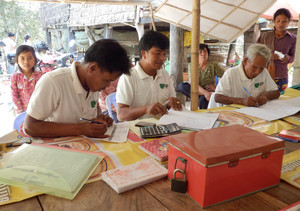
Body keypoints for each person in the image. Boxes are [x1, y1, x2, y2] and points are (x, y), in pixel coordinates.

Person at [23, 39, 131, 138]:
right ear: (92, 68)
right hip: (56, 152)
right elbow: (30, 127)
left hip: (86, 148)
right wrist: (81, 129)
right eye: (106, 81)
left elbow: (92, 114)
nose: (107, 86)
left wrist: (100, 120)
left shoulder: (92, 84)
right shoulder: (53, 82)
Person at [116, 30, 182, 121]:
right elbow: (121, 115)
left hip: (163, 125)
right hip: (138, 129)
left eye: (164, 54)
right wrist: (145, 109)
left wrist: (172, 102)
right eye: (157, 53)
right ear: (144, 54)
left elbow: (172, 100)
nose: (162, 58)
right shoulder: (128, 77)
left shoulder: (164, 74)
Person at [210, 44, 280, 107]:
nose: (258, 72)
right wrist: (242, 101)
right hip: (233, 114)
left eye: (261, 68)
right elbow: (217, 97)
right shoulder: (231, 73)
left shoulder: (264, 72)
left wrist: (265, 95)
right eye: (254, 67)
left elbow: (276, 93)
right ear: (245, 61)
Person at [257, 8, 296, 92]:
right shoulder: (265, 36)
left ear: (288, 22)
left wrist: (288, 58)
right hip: (263, 73)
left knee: (279, 100)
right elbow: (255, 53)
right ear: (274, 21)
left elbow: (294, 57)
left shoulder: (292, 38)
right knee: (262, 98)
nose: (280, 24)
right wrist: (267, 56)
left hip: (281, 75)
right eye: (278, 21)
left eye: (284, 21)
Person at [177, 44, 224, 109]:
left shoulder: (213, 65)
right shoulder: (192, 65)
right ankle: (204, 95)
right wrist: (205, 93)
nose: (203, 53)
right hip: (196, 89)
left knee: (202, 100)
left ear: (208, 53)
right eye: (200, 52)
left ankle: (204, 115)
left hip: (207, 90)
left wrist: (216, 89)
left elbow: (225, 77)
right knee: (181, 86)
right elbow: (192, 82)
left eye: (205, 51)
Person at [11, 45, 43, 114]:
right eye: (22, 58)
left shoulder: (41, 76)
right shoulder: (15, 77)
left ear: (34, 60)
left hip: (40, 111)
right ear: (17, 60)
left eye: (30, 58)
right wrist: (21, 111)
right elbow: (14, 96)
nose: (26, 62)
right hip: (23, 112)